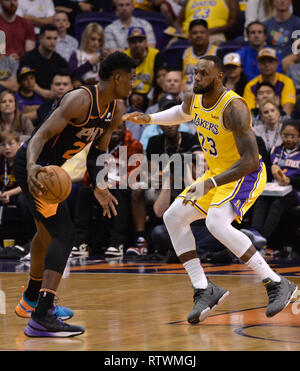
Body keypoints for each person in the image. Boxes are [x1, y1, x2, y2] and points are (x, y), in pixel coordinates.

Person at [124, 55, 297, 324]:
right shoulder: (195, 97)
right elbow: (181, 113)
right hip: (216, 174)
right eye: (195, 73)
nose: (197, 78)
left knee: (216, 222)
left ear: (218, 77)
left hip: (245, 174)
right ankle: (204, 289)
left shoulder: (234, 108)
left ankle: (276, 283)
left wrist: (212, 182)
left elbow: (251, 160)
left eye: (203, 74)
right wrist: (149, 118)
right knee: (172, 217)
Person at [13, 51, 137, 337]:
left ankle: (31, 300)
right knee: (64, 234)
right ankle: (41, 315)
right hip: (34, 166)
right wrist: (32, 166)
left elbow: (98, 151)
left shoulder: (115, 109)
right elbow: (41, 135)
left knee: (47, 233)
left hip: (51, 168)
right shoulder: (80, 100)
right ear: (117, 78)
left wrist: (99, 185)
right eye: (131, 78)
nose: (133, 83)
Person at [241, 120, 300, 250]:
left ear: (299, 136)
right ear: (281, 135)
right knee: (261, 200)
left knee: (278, 204)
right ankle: (255, 232)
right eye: (285, 135)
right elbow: (265, 170)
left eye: (293, 136)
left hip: (294, 193)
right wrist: (271, 170)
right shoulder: (275, 150)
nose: (289, 139)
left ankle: (263, 239)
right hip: (274, 189)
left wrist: (290, 181)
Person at [0, 130, 35, 243]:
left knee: (25, 200)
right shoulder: (1, 160)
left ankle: (29, 239)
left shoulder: (24, 160)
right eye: (3, 145)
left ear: (19, 144)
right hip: (3, 193)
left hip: (21, 191)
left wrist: (9, 193)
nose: (7, 148)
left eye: (10, 144)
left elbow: (26, 183)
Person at [243, 47, 296, 116]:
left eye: (270, 61)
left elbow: (288, 107)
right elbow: (249, 112)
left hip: (281, 121)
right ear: (258, 65)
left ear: (277, 64)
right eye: (263, 62)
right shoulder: (250, 86)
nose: (267, 64)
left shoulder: (286, 82)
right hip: (257, 123)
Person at [19, 24, 68, 97]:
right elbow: (25, 82)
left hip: (56, 97)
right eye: (49, 38)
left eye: (55, 39)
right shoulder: (27, 58)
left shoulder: (61, 61)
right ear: (40, 39)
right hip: (32, 97)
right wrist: (44, 93)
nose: (52, 42)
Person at [175, 19, 218, 93]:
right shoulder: (183, 53)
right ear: (189, 36)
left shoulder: (217, 52)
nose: (199, 35)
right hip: (185, 96)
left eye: (202, 32)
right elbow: (177, 77)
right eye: (195, 33)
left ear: (208, 35)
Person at [124, 26, 167, 97]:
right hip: (129, 95)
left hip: (151, 96)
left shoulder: (156, 55)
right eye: (133, 42)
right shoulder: (123, 57)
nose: (137, 45)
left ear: (146, 42)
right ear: (128, 44)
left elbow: (159, 83)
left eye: (140, 41)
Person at [173, 0, 240, 44]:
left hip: (214, 34)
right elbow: (177, 22)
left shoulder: (229, 1)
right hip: (187, 34)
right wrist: (180, 31)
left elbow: (234, 22)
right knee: (172, 45)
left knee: (216, 48)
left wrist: (213, 30)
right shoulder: (188, 1)